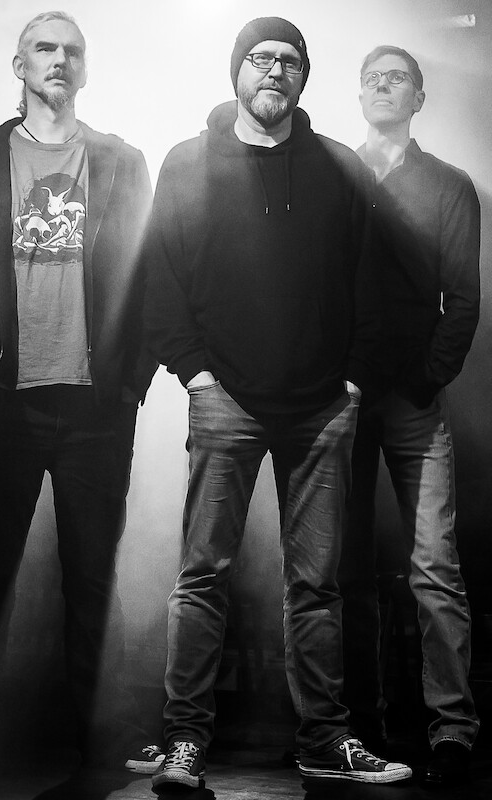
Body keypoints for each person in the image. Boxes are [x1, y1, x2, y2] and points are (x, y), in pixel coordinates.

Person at [143, 16, 414, 791]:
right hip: (225, 398)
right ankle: (184, 742)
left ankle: (324, 740)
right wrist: (194, 373)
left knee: (317, 585)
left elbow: (371, 280)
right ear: (236, 71)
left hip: (322, 406)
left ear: (304, 77)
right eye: (260, 58)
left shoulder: (337, 167)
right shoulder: (188, 162)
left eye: (290, 61)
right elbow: (159, 276)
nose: (275, 70)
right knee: (203, 575)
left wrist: (354, 378)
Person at [0, 10, 161, 779]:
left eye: (72, 51)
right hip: (3, 401)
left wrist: (131, 381)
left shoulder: (122, 161)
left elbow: (149, 273)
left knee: (93, 575)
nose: (59, 60)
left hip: (96, 404)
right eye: (44, 48)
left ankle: (102, 737)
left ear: (85, 69)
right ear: (19, 65)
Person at [339, 45, 481, 787]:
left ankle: (451, 727)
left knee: (434, 566)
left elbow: (464, 299)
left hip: (412, 404)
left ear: (419, 97)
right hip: (341, 399)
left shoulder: (449, 185)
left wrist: (426, 380)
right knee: (344, 567)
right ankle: (357, 724)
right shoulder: (335, 173)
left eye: (396, 78)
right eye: (371, 78)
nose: (382, 87)